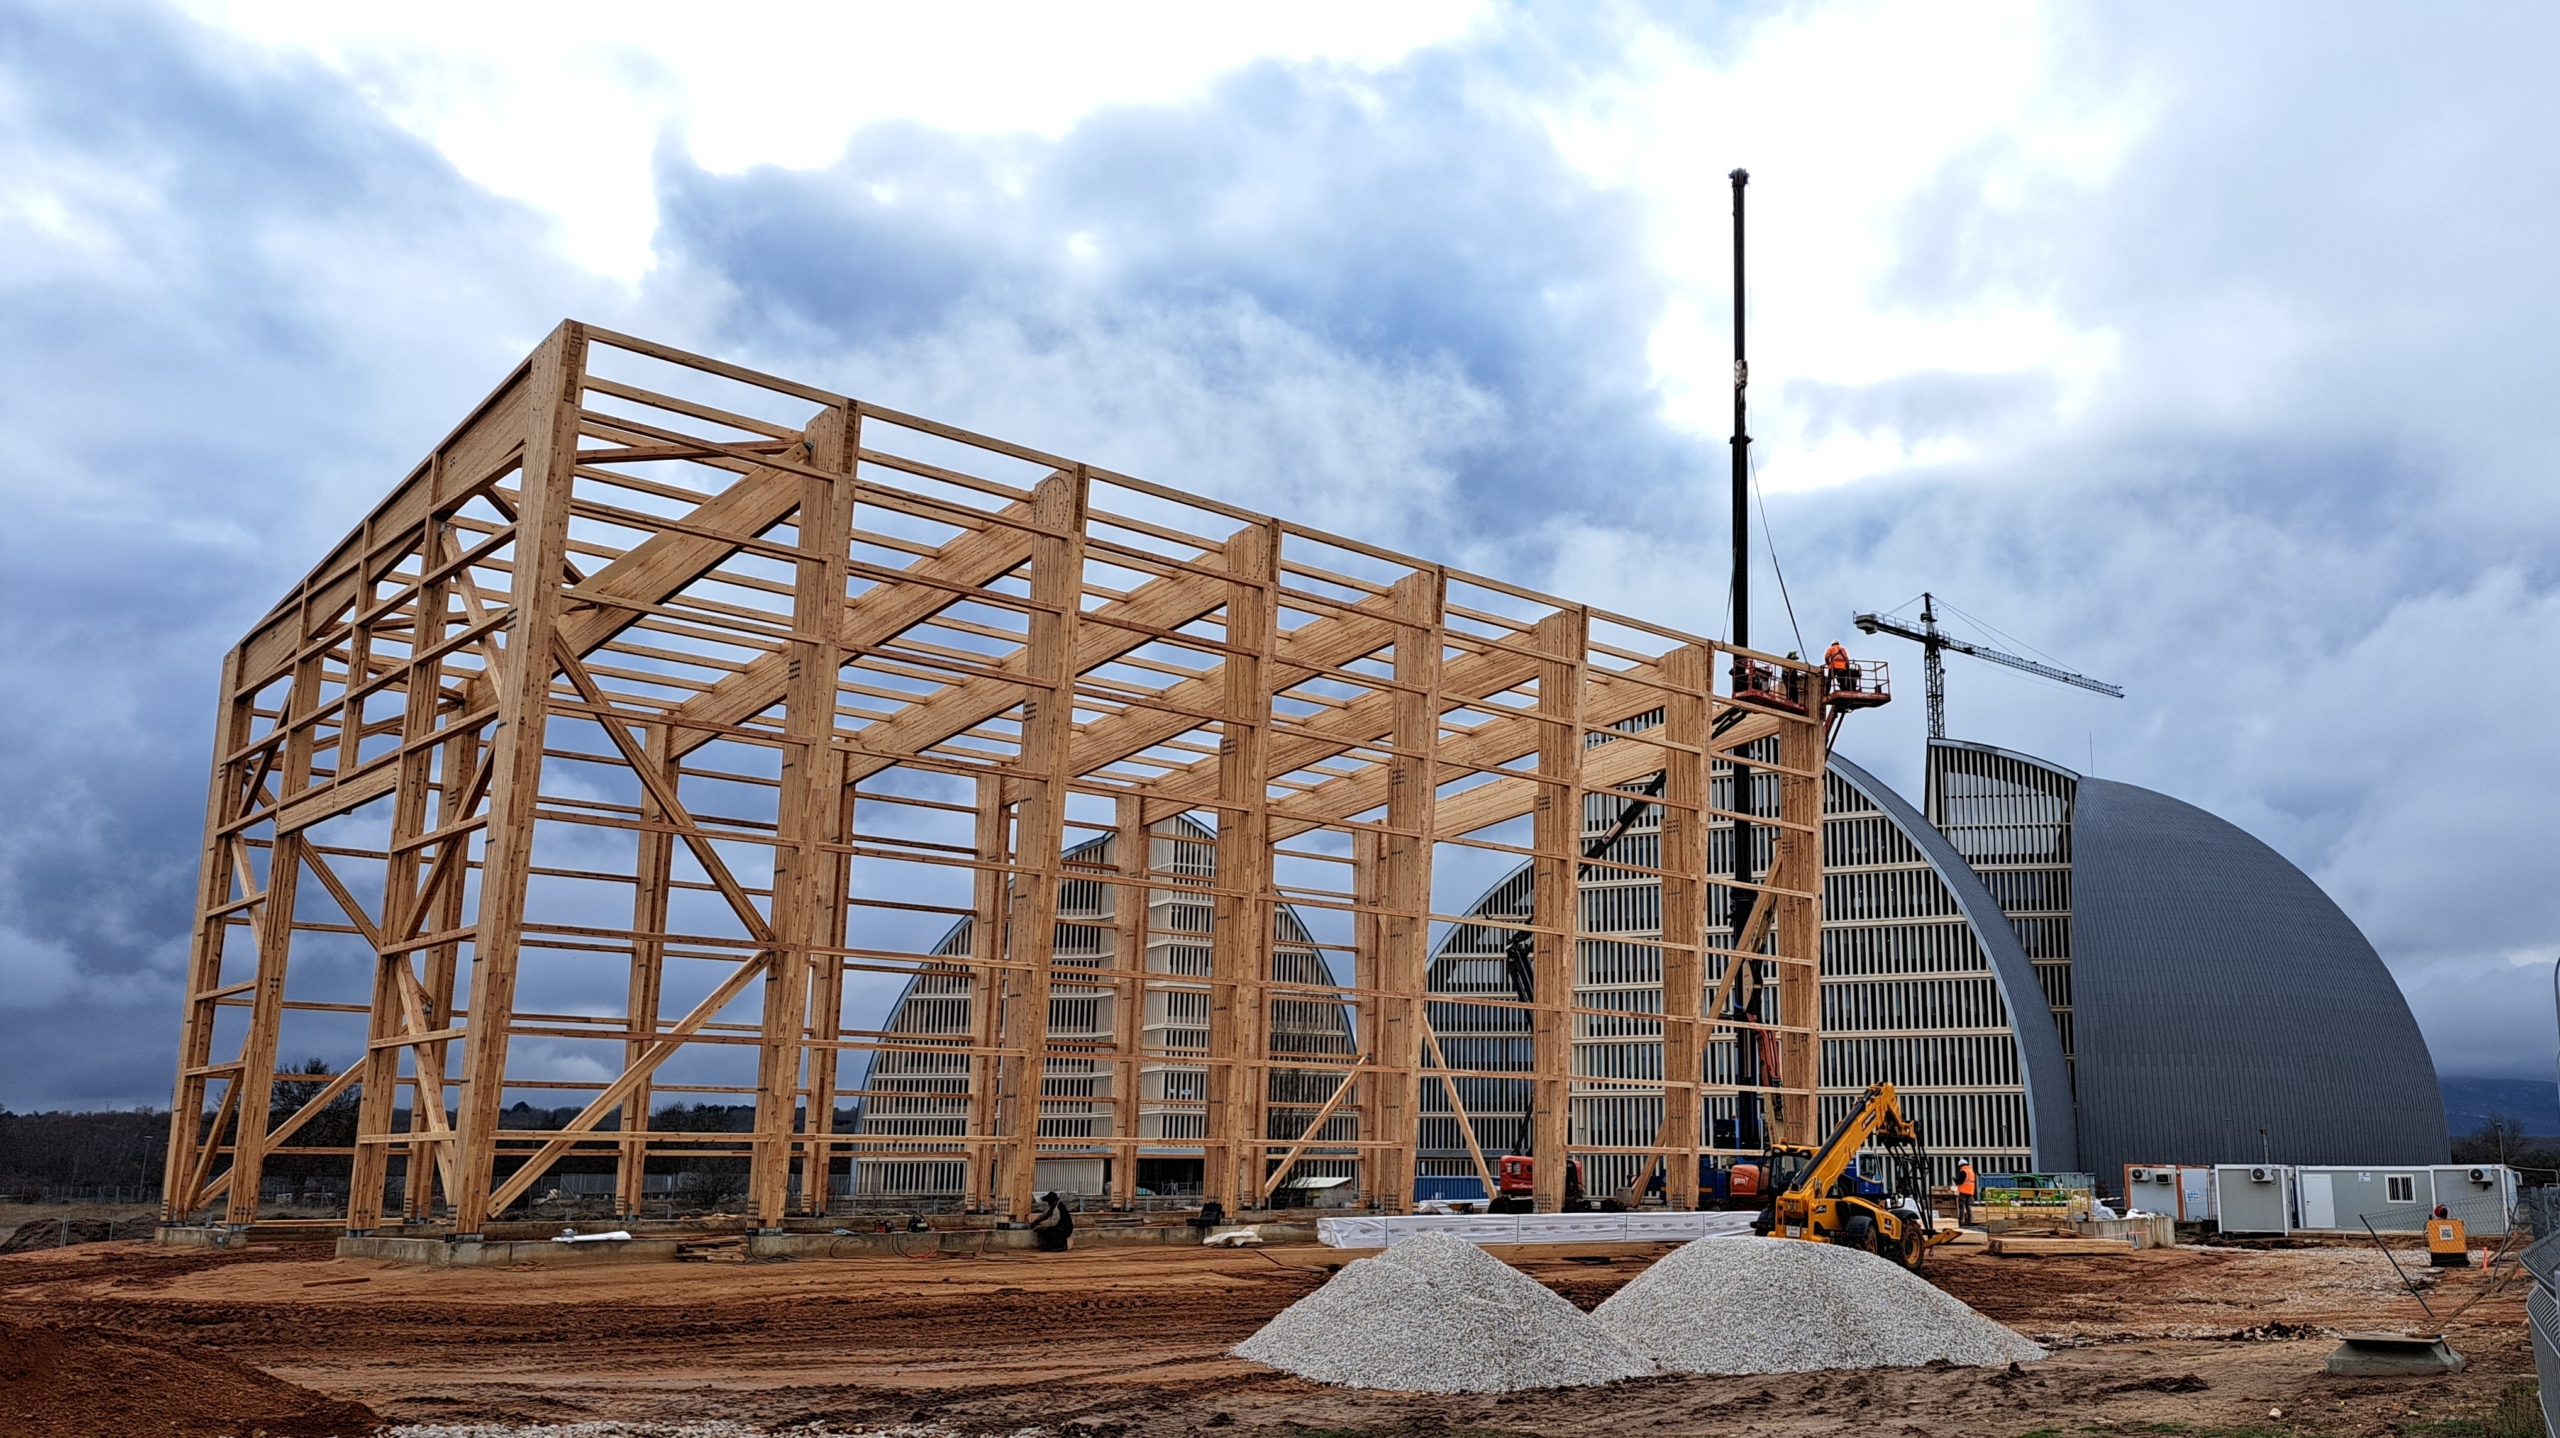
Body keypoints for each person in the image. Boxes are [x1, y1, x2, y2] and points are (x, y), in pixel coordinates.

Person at [1956, 1160, 1978, 1226]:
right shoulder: (1971, 1172)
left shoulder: (1963, 1171)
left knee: (1961, 1206)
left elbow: (1959, 1181)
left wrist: (1955, 1180)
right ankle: (1969, 1221)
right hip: (1970, 1191)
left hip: (1963, 1191)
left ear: (1961, 1165)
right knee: (1968, 1206)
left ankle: (1960, 1221)